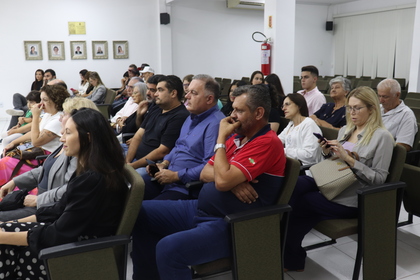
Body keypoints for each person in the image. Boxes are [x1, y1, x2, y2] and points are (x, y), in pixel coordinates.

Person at [131, 84, 286, 280]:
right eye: (233, 109)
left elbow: (221, 182)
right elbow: (205, 172)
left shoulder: (266, 142)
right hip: (202, 209)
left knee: (169, 249)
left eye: (239, 110)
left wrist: (221, 138)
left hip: (232, 223)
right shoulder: (239, 138)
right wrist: (232, 179)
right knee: (140, 212)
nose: (233, 115)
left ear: (259, 113)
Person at [0, 108, 127, 279]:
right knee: (5, 231)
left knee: (5, 245)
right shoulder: (91, 171)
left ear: (87, 137)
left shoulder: (92, 179)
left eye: (67, 133)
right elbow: (57, 210)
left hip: (78, 252)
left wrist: (4, 236)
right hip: (73, 239)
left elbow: (57, 234)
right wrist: (11, 224)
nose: (61, 138)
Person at [284, 86, 395, 271]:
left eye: (357, 108)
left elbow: (379, 180)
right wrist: (328, 152)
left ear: (372, 109)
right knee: (293, 186)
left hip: (351, 197)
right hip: (332, 182)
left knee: (303, 203)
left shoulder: (381, 137)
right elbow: (336, 164)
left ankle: (291, 255)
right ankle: (281, 240)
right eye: (349, 107)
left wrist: (350, 159)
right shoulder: (345, 129)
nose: (351, 112)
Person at [0, 98, 98, 221]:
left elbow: (69, 190)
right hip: (40, 200)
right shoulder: (67, 146)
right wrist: (15, 182)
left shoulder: (78, 154)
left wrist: (38, 200)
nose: (60, 117)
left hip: (45, 207)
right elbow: (46, 169)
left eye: (65, 114)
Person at [140, 74, 225, 200]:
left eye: (193, 93)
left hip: (185, 188)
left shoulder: (216, 124)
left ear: (209, 99)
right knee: (126, 192)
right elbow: (179, 145)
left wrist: (176, 176)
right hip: (167, 179)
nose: (186, 96)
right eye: (188, 91)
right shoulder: (191, 116)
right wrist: (164, 163)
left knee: (139, 211)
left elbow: (209, 166)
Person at [1, 85, 70, 185]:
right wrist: (13, 143)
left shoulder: (58, 119)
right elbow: (33, 133)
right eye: (41, 100)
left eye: (45, 100)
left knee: (4, 163)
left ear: (56, 100)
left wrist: (36, 116)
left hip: (43, 156)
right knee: (6, 153)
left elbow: (36, 141)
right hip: (36, 150)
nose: (41, 104)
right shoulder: (48, 115)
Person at [125, 75, 189, 173]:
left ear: (173, 93)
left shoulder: (180, 116)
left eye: (160, 90)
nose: (155, 94)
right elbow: (138, 136)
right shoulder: (156, 108)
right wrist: (127, 162)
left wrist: (132, 166)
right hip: (134, 159)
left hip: (151, 165)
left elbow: (163, 151)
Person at [278, 93, 323, 166]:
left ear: (298, 106)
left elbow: (309, 155)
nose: (283, 108)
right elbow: (277, 141)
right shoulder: (291, 124)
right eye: (283, 106)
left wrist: (284, 151)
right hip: (292, 166)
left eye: (287, 104)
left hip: (307, 170)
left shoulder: (309, 124)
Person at [377, 78, 417, 151]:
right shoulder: (377, 108)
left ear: (397, 95)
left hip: (382, 152)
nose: (381, 100)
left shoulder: (406, 115)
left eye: (385, 97)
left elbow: (404, 145)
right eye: (379, 96)